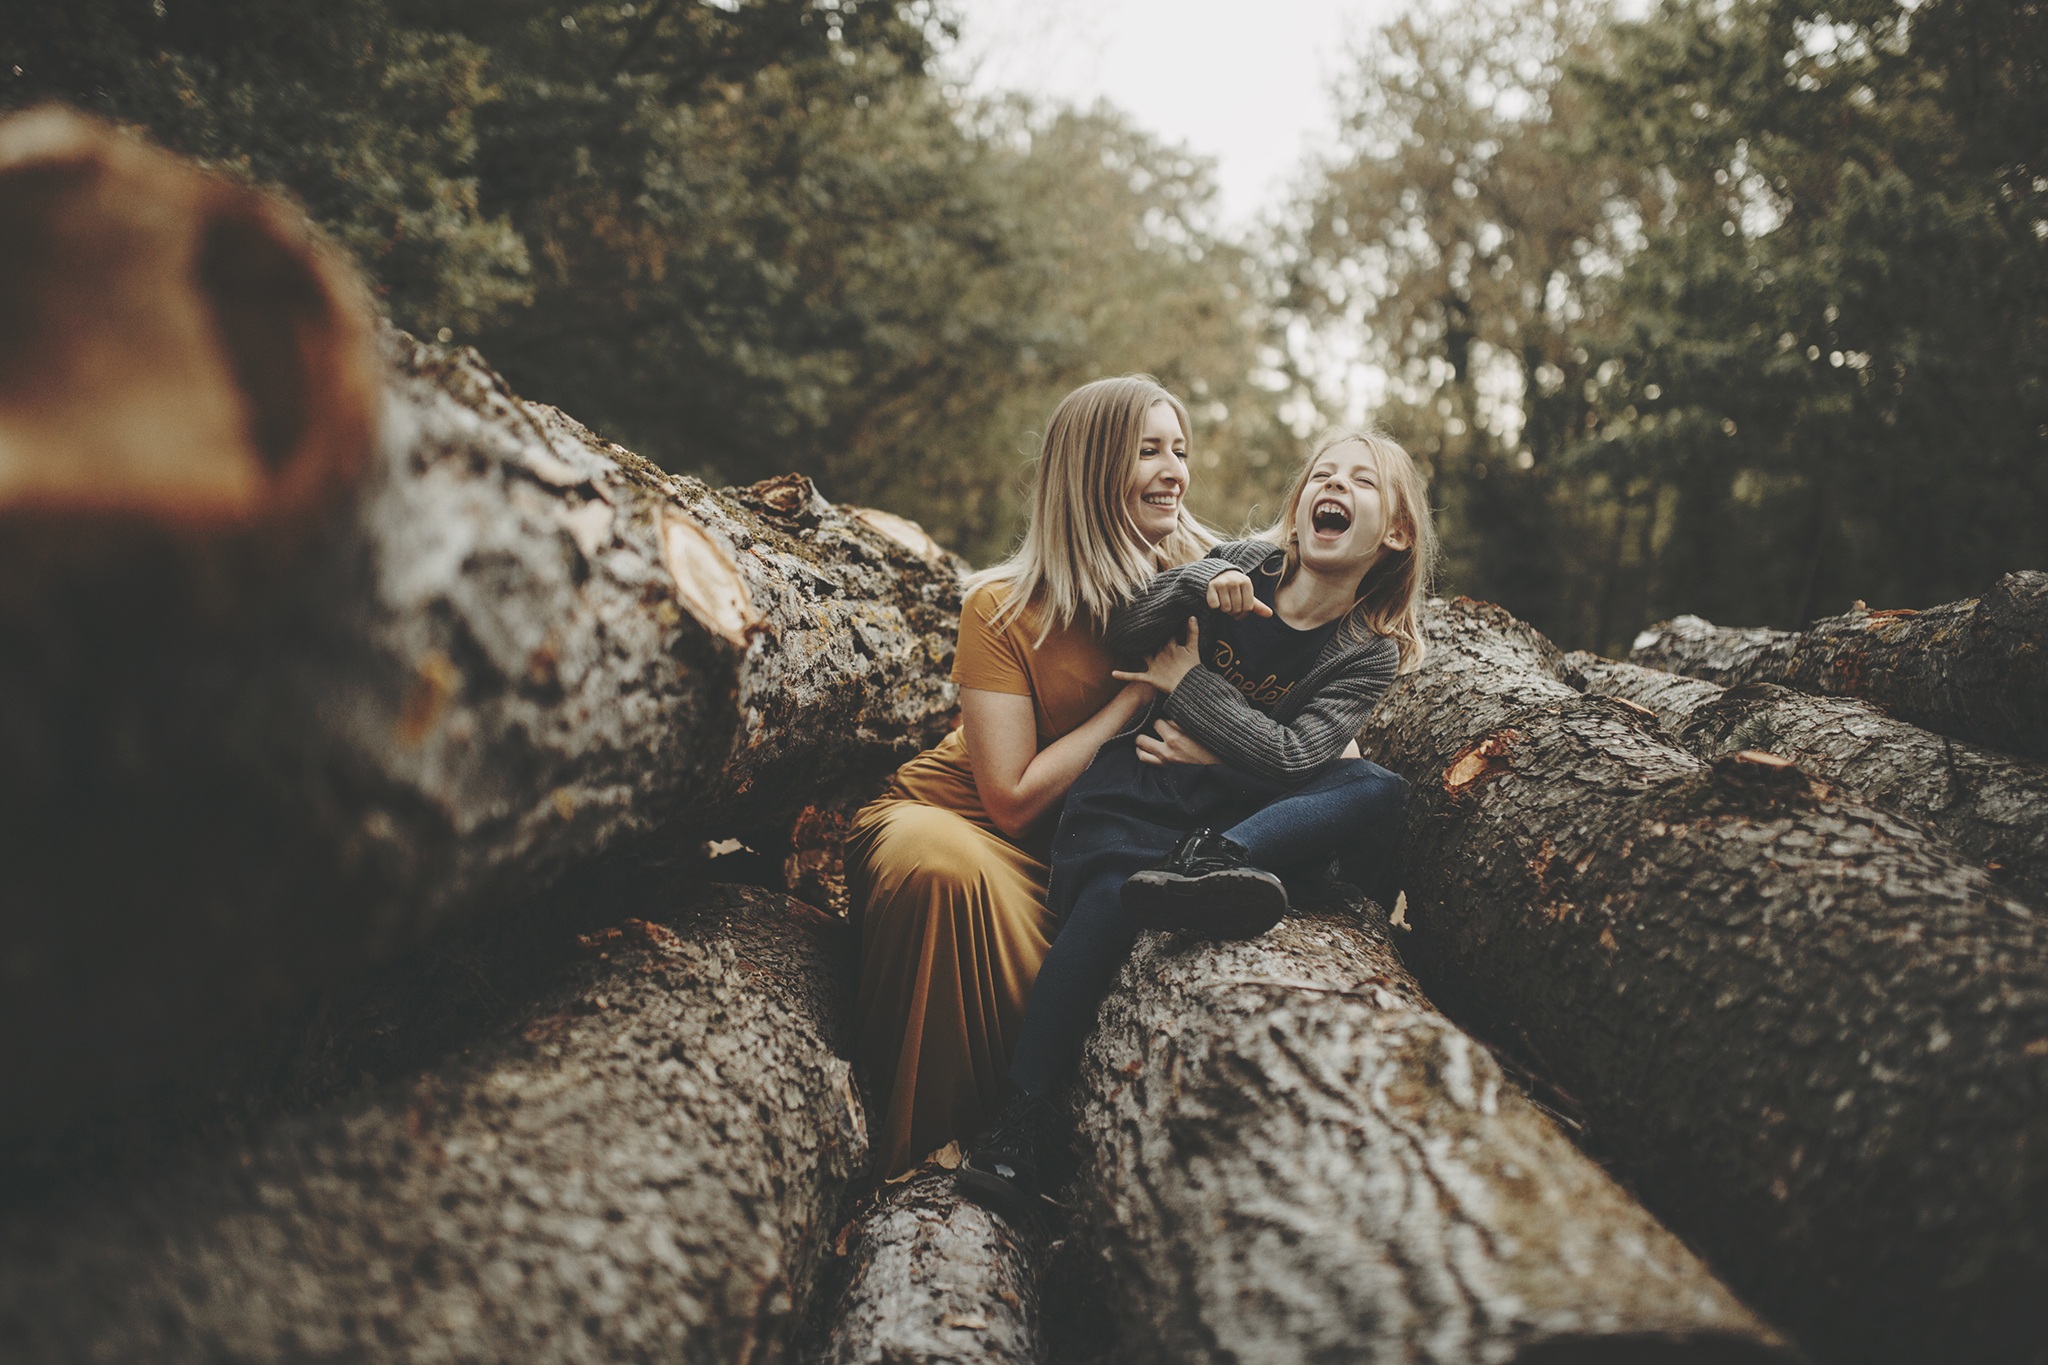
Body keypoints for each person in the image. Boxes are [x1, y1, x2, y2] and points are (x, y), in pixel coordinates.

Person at [957, 429, 1436, 1220]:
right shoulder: (1247, 566)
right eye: (1323, 474)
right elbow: (1131, 627)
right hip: (1138, 793)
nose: (1335, 485)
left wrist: (1192, 689)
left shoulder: (1366, 651)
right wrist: (1199, 582)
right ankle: (1021, 1117)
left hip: (1232, 813)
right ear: (1299, 506)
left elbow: (1294, 757)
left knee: (1379, 785)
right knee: (1112, 895)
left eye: (1360, 481)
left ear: (1395, 532)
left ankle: (1225, 863)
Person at [844, 376, 1217, 1179]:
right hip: (971, 822)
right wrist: (1135, 694)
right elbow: (1008, 799)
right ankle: (916, 1163)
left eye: (1180, 450)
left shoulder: (1205, 586)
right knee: (937, 866)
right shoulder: (1003, 608)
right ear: (1090, 469)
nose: (1173, 470)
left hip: (1098, 854)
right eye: (1148, 450)